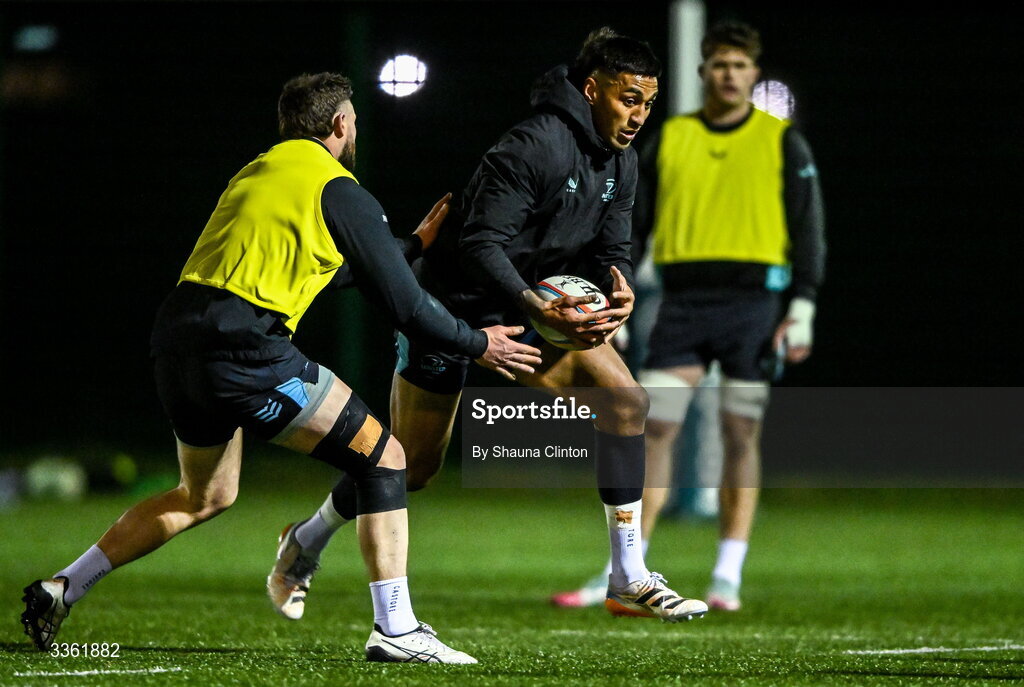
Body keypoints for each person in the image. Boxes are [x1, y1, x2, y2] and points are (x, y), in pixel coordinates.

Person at [20, 72, 544, 664]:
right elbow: (407, 306)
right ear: (342, 124)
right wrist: (480, 343)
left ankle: (65, 586)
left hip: (176, 341)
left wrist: (411, 248)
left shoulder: (257, 173)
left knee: (204, 494)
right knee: (385, 458)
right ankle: (396, 629)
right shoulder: (339, 188)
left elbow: (334, 269)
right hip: (245, 348)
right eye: (353, 121)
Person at [268, 28, 709, 624]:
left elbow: (614, 244)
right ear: (591, 89)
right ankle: (307, 539)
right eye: (629, 99)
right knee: (411, 467)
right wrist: (532, 304)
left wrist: (618, 286)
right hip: (451, 310)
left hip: (530, 310)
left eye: (648, 103)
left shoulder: (622, 161)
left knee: (626, 402)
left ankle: (628, 575)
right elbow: (479, 243)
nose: (638, 115)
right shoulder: (532, 145)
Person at [553, 21, 826, 612]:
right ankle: (625, 568)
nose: (729, 74)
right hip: (681, 303)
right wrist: (611, 294)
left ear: (754, 74)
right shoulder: (670, 136)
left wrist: (801, 306)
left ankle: (727, 573)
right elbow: (632, 221)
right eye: (720, 64)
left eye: (740, 66)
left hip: (754, 303)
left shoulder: (781, 141)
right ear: (704, 72)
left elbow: (809, 229)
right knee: (656, 428)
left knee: (739, 431)